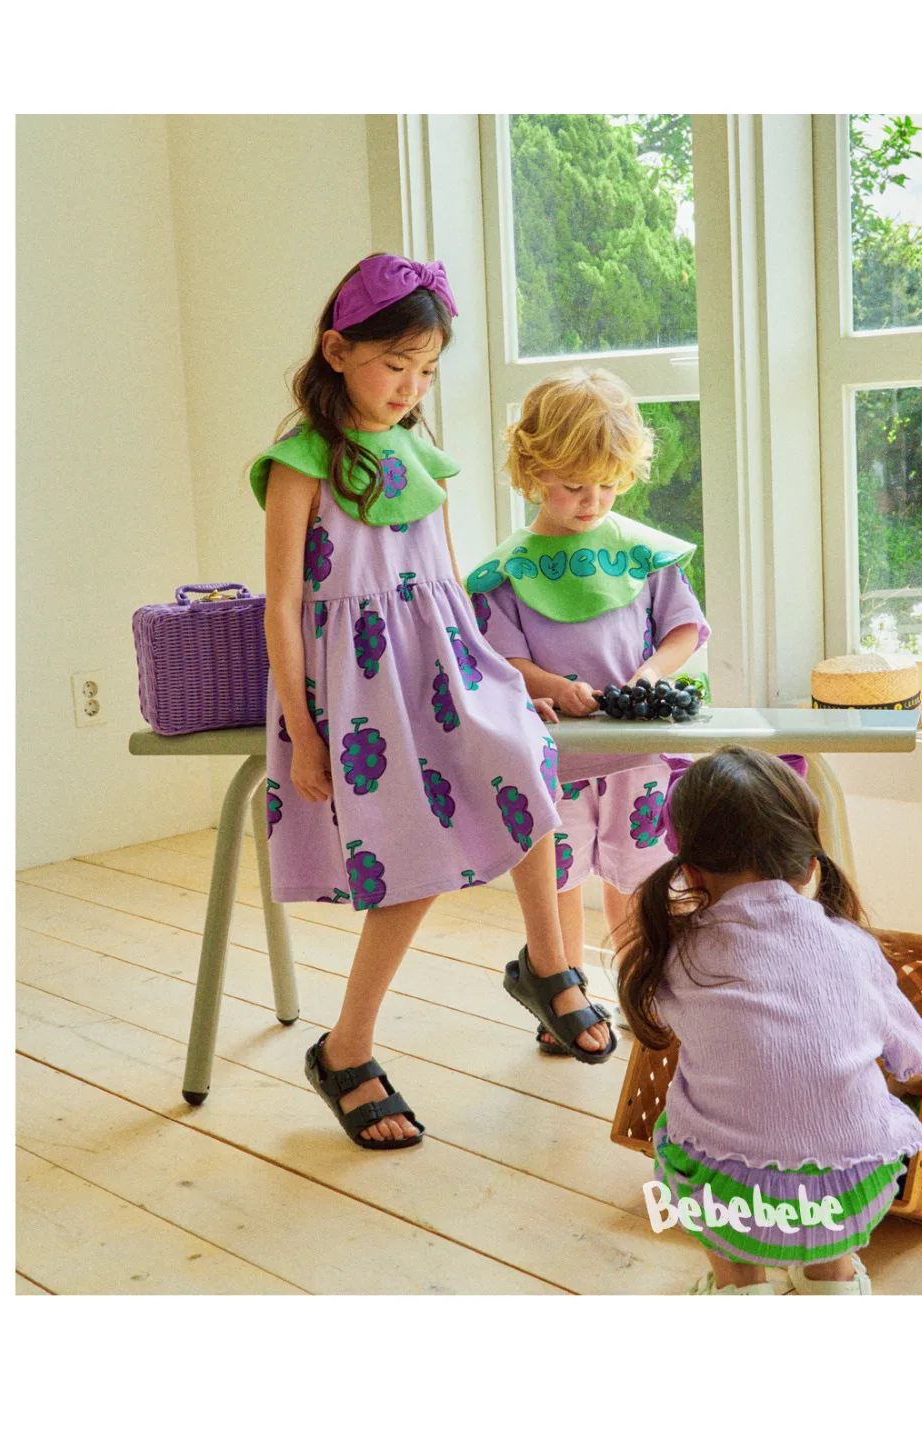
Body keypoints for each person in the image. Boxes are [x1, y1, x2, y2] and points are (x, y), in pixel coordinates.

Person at [252, 254, 614, 1152]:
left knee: (524, 756)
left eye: (426, 370)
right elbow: (283, 606)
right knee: (411, 854)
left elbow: (446, 591)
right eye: (395, 365)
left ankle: (548, 964)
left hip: (441, 670)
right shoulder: (301, 463)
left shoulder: (422, 458)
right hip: (357, 697)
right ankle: (346, 1048)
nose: (411, 388)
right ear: (338, 350)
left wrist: (503, 679)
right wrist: (304, 733)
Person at [615, 746, 922, 1296]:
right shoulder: (854, 945)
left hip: (729, 1198)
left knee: (678, 1123)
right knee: (844, 1135)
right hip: (853, 1189)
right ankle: (833, 1279)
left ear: (689, 871)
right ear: (809, 865)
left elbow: (661, 1020)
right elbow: (914, 1056)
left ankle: (740, 1284)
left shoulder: (677, 954)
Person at [465, 370, 709, 1051]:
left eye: (607, 483)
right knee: (559, 880)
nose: (592, 500)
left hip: (636, 754)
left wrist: (650, 674)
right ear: (533, 470)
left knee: (640, 879)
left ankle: (642, 994)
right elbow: (499, 657)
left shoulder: (645, 552)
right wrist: (551, 684)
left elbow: (684, 629)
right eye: (574, 484)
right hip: (556, 759)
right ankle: (563, 997)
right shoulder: (506, 572)